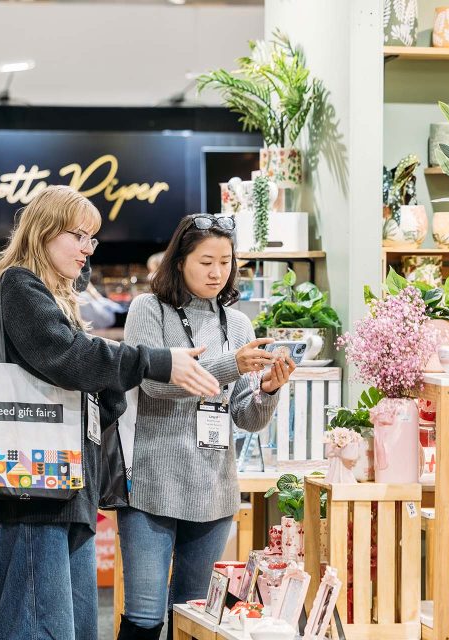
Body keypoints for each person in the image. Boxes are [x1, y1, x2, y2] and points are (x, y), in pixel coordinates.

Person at [0, 186, 220, 640]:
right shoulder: (19, 285)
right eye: (78, 236)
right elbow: (69, 357)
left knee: (63, 626)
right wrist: (156, 361)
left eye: (92, 239)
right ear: (43, 232)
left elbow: (78, 368)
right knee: (38, 628)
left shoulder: (48, 293)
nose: (88, 248)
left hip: (57, 489)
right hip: (31, 493)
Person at [117, 214, 296, 639]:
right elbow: (153, 384)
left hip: (214, 491)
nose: (217, 272)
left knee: (195, 616)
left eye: (225, 262)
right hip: (151, 488)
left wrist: (268, 390)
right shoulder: (148, 310)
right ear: (180, 261)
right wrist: (231, 364)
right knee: (144, 617)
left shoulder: (238, 324)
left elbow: (247, 417)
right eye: (206, 262)